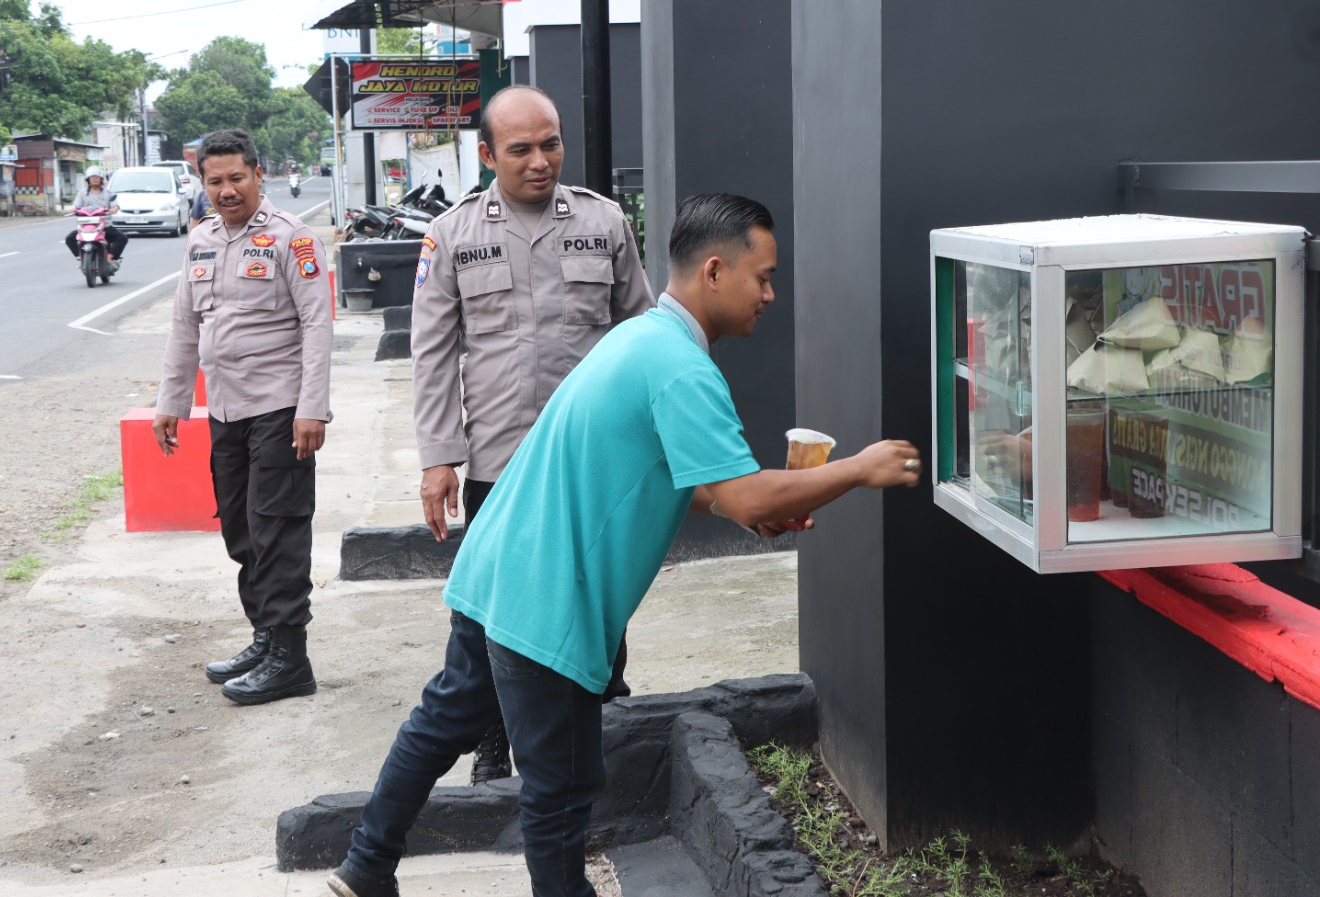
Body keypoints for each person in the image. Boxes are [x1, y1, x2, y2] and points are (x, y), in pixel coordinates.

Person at [327, 193, 922, 897]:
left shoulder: (643, 337)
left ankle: (366, 864)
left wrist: (744, 506)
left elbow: (692, 482)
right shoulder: (681, 367)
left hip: (496, 563)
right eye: (761, 276)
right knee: (562, 781)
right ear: (712, 270)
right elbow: (744, 495)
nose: (770, 293)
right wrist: (861, 468)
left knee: (445, 720)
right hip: (546, 591)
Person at [411, 84, 656, 786]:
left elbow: (639, 333)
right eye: (521, 149)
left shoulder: (603, 222)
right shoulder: (452, 234)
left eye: (550, 143)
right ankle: (493, 739)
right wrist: (439, 459)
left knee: (599, 594)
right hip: (500, 458)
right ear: (487, 154)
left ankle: (602, 720)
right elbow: (432, 354)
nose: (540, 160)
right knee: (495, 608)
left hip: (592, 460)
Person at [152, 129, 334, 706]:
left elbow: (317, 326)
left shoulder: (292, 239)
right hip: (226, 407)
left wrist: (312, 408)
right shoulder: (201, 239)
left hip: (280, 407)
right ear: (201, 184)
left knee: (278, 527)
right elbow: (185, 325)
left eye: (236, 178)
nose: (226, 191)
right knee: (241, 527)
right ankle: (264, 636)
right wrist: (171, 402)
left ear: (258, 173)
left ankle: (290, 657)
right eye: (215, 181)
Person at [64, 166, 127, 265]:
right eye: (92, 177)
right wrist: (72, 209)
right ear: (88, 180)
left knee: (122, 238)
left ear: (101, 179)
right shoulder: (82, 193)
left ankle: (109, 258)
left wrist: (112, 209)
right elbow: (76, 205)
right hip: (85, 226)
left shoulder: (108, 192)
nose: (94, 179)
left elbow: (115, 205)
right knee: (69, 238)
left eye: (97, 177)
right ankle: (81, 257)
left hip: (104, 226)